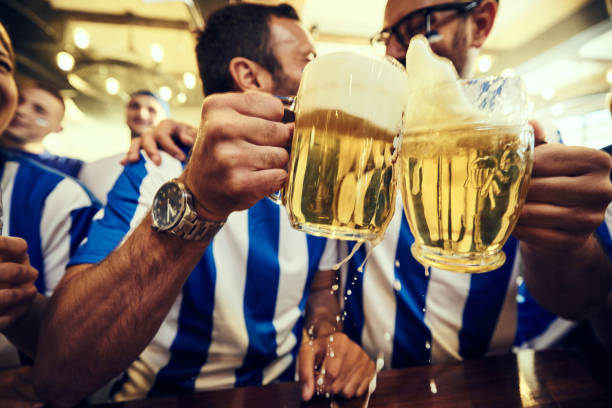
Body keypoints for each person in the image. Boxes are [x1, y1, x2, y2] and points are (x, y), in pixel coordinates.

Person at [33, 4, 373, 407]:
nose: (321, 77)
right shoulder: (156, 168)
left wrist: (325, 336)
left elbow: (320, 294)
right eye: (309, 61)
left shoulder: (321, 182)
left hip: (282, 396)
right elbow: (57, 374)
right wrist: (198, 201)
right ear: (250, 76)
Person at [334, 0, 612, 370]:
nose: (394, 49)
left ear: (480, 22)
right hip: (364, 385)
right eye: (388, 36)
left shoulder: (528, 143)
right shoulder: (358, 133)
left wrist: (562, 244)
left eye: (418, 24)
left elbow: (582, 302)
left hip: (478, 382)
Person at [0, 21, 99, 406]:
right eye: (25, 100)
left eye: (2, 62)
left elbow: (87, 356)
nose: (25, 112)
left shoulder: (63, 190)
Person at [78, 91, 170, 204]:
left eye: (151, 110)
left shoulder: (175, 171)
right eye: (135, 106)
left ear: (166, 120)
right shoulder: (93, 169)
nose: (141, 114)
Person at [0, 80, 84, 178]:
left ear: (57, 128)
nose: (20, 110)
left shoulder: (69, 169)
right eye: (20, 101)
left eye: (39, 110)